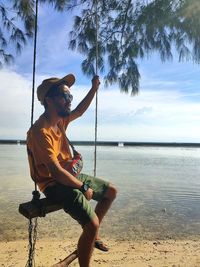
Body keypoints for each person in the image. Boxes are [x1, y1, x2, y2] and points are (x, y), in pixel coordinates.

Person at [26, 73, 117, 267]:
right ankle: (88, 246)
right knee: (91, 224)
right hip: (53, 183)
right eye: (65, 96)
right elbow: (56, 173)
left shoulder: (59, 121)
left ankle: (91, 236)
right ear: (49, 101)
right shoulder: (39, 132)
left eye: (70, 96)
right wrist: (83, 187)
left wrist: (94, 89)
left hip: (69, 175)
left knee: (111, 192)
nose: (69, 101)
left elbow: (80, 111)